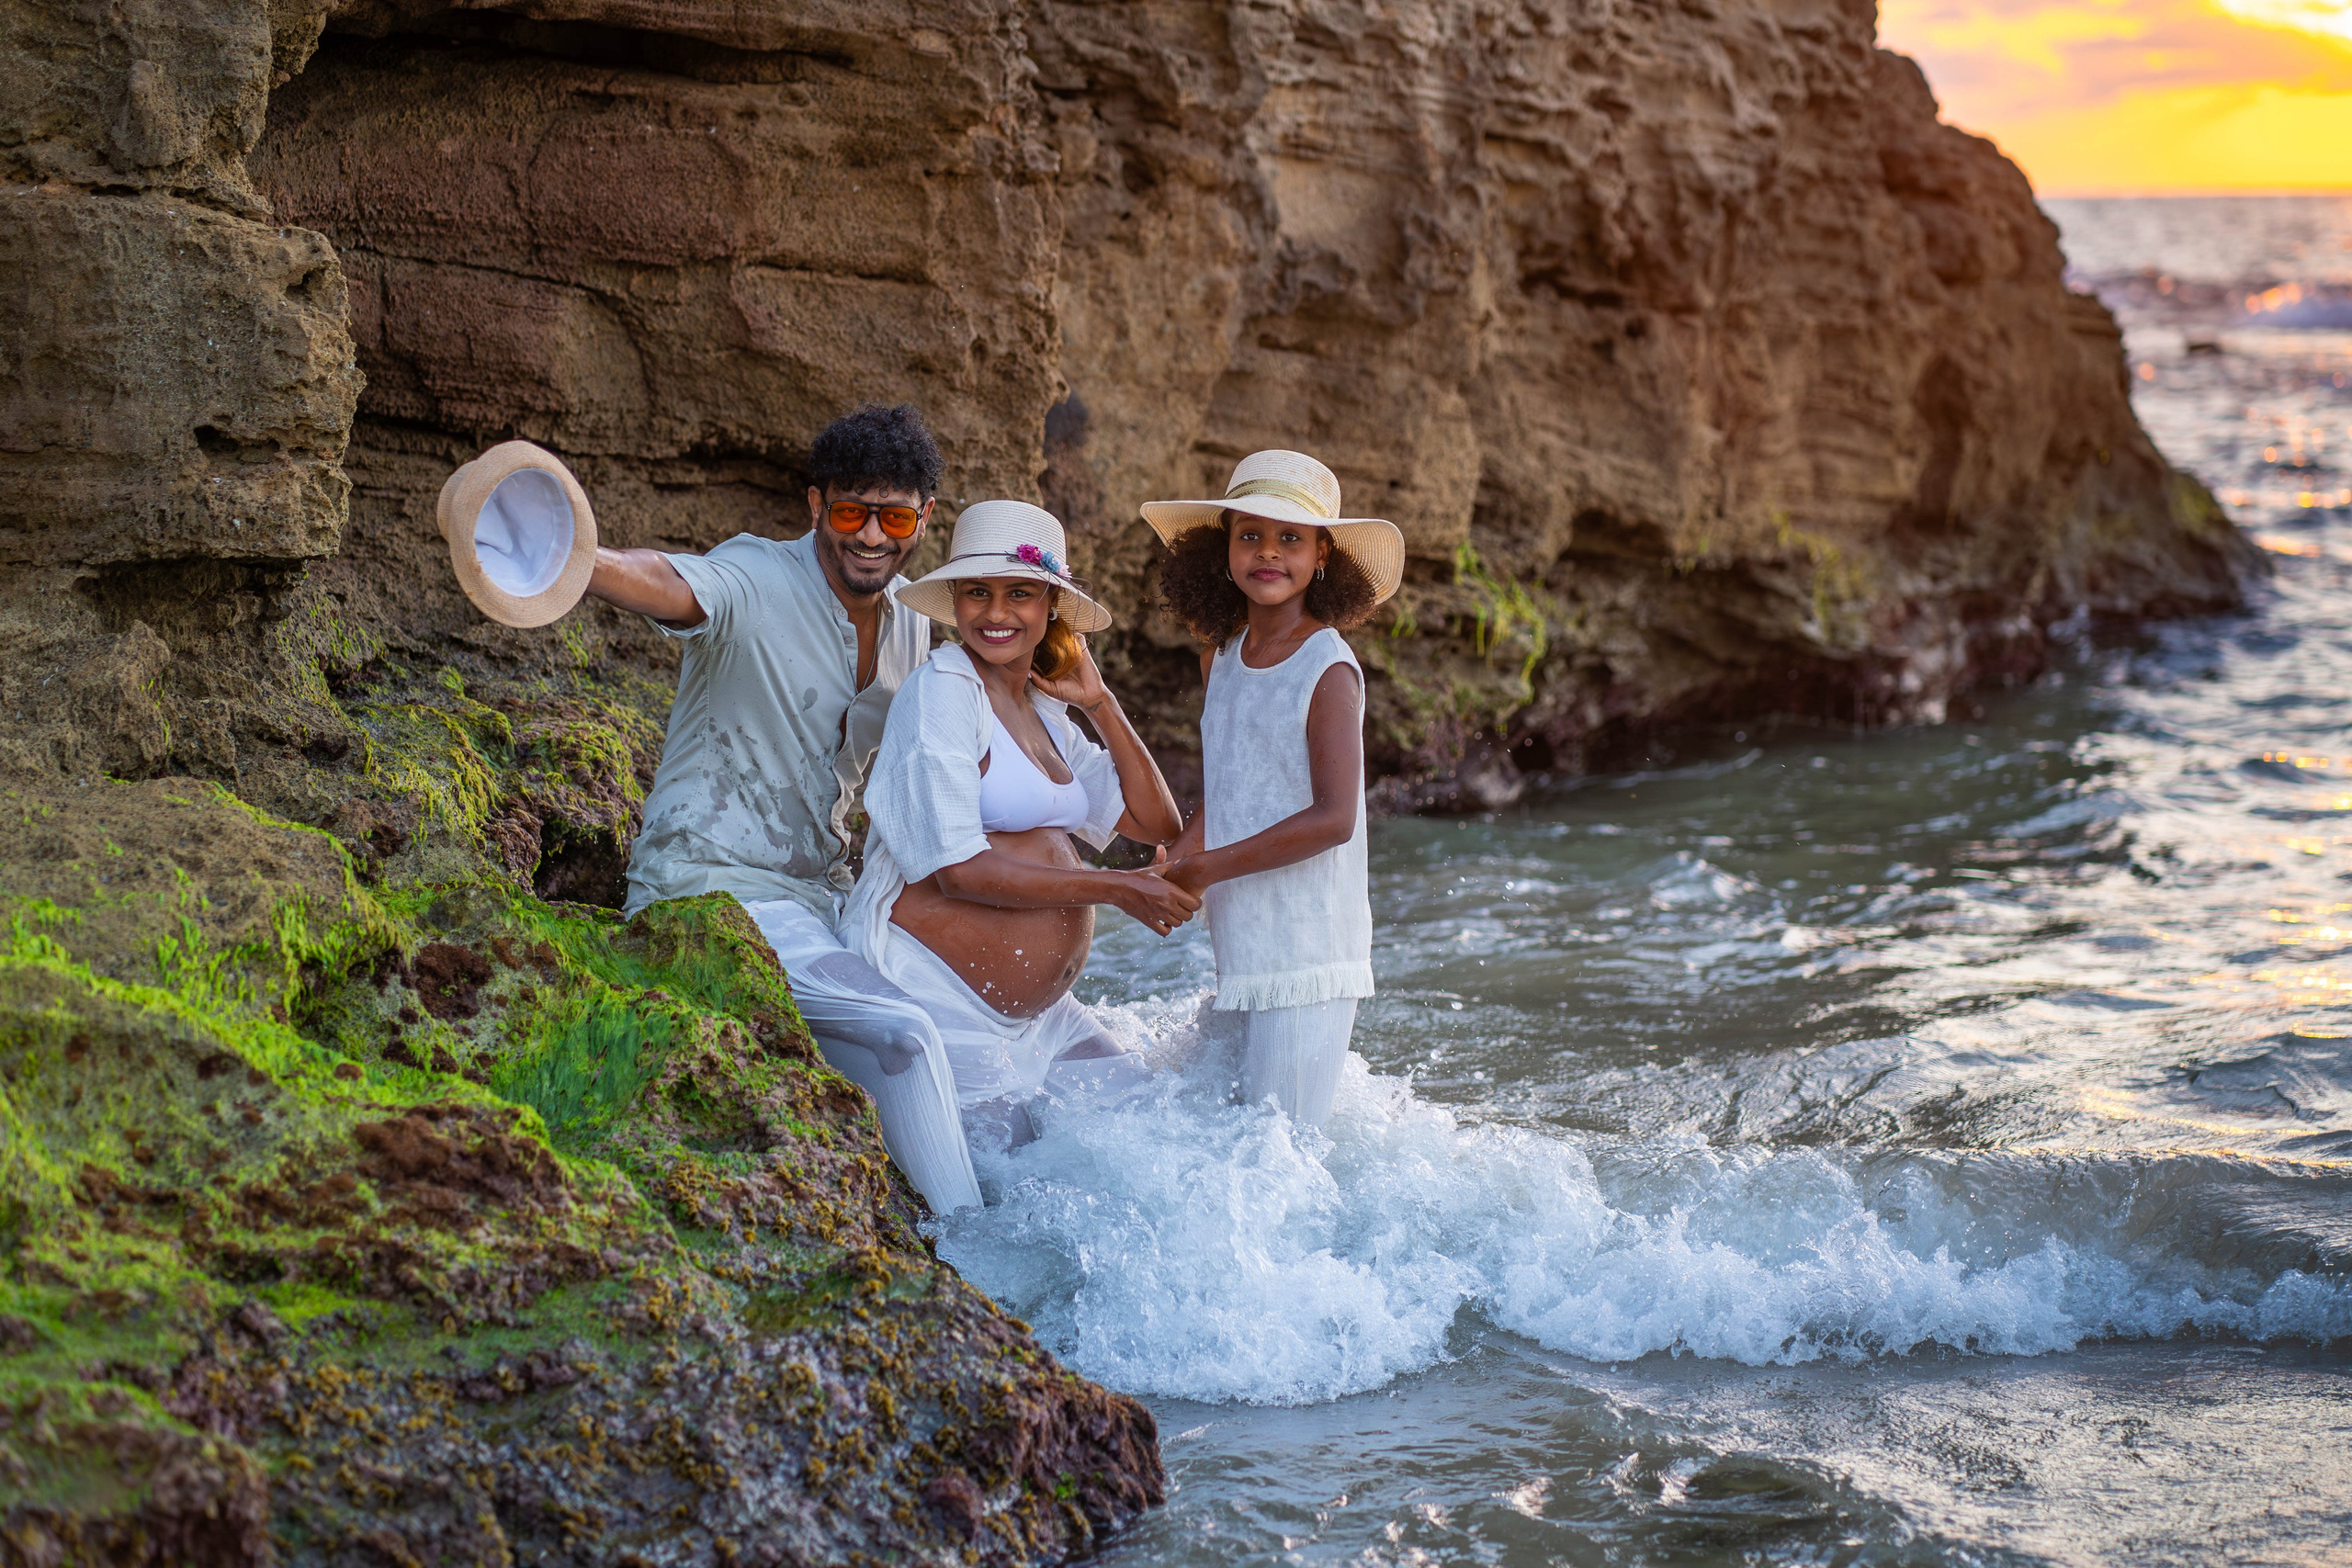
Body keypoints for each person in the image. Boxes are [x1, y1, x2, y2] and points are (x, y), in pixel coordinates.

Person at [584, 402, 986, 1213]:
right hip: (712, 892)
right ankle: (972, 1253)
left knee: (979, 1036)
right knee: (907, 1033)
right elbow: (670, 580)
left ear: (925, 518)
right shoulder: (759, 575)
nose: (871, 536)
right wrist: (574, 557)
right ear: (815, 506)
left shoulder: (915, 621)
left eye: (895, 516)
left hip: (828, 901)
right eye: (850, 512)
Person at [841, 500, 1198, 1153]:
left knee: (1163, 1135)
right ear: (955, 599)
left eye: (1021, 593)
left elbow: (1155, 823)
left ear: (1052, 608)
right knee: (1013, 1204)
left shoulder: (1043, 708)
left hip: (1042, 1021)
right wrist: (1116, 889)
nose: (997, 612)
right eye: (978, 592)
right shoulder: (943, 691)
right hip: (941, 1005)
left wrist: (1102, 703)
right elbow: (960, 870)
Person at [1141, 449, 1405, 1127]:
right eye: (1250, 534)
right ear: (1223, 547)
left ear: (1322, 556)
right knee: (1223, 1146)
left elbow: (1334, 818)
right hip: (1245, 945)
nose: (1269, 552)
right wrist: (1177, 859)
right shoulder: (1221, 660)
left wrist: (1206, 868)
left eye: (1291, 537)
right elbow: (1229, 787)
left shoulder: (1328, 667)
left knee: (1279, 1163)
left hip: (1311, 953)